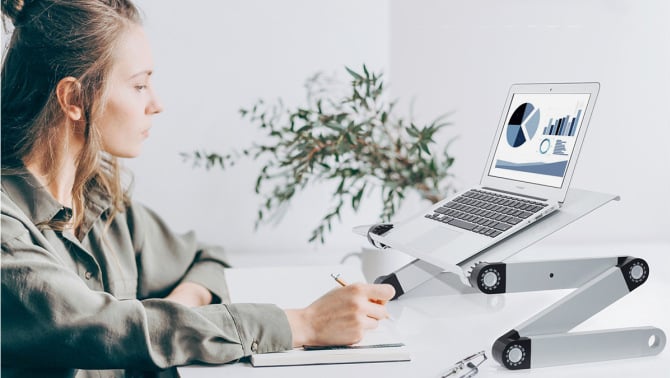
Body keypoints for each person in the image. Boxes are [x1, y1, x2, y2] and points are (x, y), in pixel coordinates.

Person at [0, 1, 396, 377]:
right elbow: (104, 326)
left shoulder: (100, 201)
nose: (156, 104)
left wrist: (176, 310)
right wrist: (303, 324)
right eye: (139, 86)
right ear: (74, 98)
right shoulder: (7, 230)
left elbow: (206, 260)